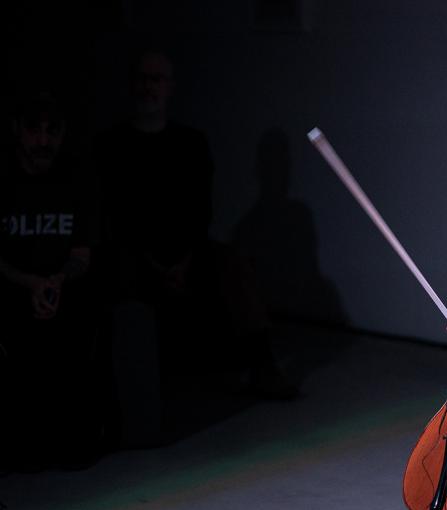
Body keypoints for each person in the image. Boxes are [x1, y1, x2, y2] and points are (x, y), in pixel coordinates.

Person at [95, 50, 297, 400]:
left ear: (170, 86)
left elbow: (200, 209)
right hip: (135, 253)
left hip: (186, 249)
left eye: (157, 79)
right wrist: (154, 265)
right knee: (120, 271)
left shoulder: (190, 143)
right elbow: (116, 215)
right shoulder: (112, 145)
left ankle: (263, 367)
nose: (149, 87)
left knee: (233, 263)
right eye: (143, 78)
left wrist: (184, 261)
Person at [0, 90, 103, 469]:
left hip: (61, 293)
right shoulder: (4, 179)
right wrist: (29, 282)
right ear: (17, 130)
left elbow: (82, 255)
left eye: (52, 130)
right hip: (11, 292)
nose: (43, 140)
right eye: (34, 129)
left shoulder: (76, 180)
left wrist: (55, 282)